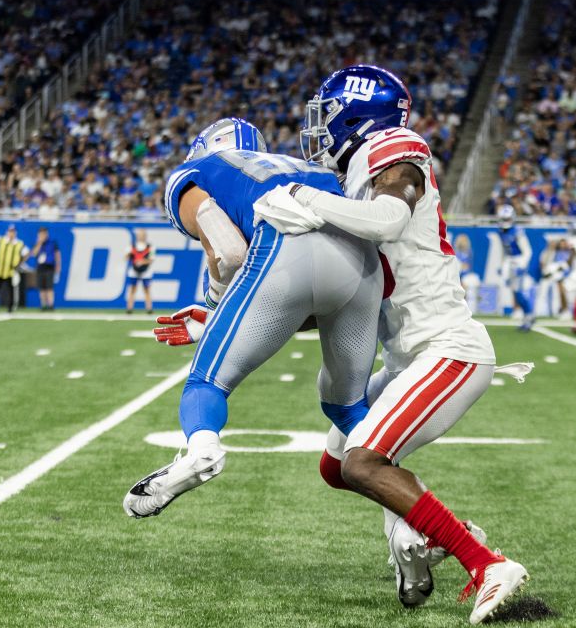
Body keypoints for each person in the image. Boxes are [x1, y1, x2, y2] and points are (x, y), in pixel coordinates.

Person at [261, 65, 531, 624]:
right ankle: (438, 532)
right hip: (408, 358)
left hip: (447, 349)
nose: (320, 129)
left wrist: (307, 202)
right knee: (336, 467)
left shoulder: (393, 147)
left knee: (363, 463)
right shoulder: (351, 181)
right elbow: (330, 303)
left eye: (327, 114)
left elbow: (387, 219)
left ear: (358, 115)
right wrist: (218, 318)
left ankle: (486, 564)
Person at [124, 118, 383, 555]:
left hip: (286, 251)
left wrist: (213, 307)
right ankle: (410, 528)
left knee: (207, 381)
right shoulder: (306, 167)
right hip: (363, 264)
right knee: (349, 408)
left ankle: (202, 448)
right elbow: (308, 306)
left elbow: (228, 252)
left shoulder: (197, 172)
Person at [496, 204, 535, 331]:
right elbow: (504, 250)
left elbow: (528, 251)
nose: (505, 222)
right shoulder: (501, 231)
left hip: (519, 260)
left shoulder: (517, 231)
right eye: (504, 219)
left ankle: (529, 315)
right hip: (510, 260)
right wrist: (503, 265)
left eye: (507, 219)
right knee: (514, 291)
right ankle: (527, 316)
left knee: (519, 291)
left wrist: (522, 266)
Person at [0, 224, 26, 312]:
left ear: (15, 233)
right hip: (0, 270)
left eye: (12, 232)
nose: (11, 234)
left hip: (11, 271)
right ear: (7, 232)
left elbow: (26, 253)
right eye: (10, 232)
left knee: (11, 291)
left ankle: (11, 307)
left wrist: (19, 264)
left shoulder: (19, 243)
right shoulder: (2, 240)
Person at [30, 226, 61, 311]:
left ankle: (50, 305)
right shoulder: (37, 243)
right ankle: (43, 305)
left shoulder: (52, 242)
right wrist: (39, 243)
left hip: (49, 267)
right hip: (40, 267)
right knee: (42, 287)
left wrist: (58, 266)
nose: (43, 235)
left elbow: (57, 254)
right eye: (41, 233)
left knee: (49, 287)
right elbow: (34, 254)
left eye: (44, 233)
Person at [125, 229, 154, 314]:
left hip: (146, 271)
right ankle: (129, 308)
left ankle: (149, 309)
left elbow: (151, 259)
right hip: (134, 271)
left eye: (142, 234)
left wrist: (142, 262)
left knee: (147, 290)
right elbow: (126, 258)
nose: (140, 236)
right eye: (139, 235)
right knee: (132, 290)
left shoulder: (150, 247)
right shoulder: (132, 246)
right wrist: (130, 256)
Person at [453, 233, 480, 314]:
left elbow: (467, 266)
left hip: (465, 275)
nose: (462, 243)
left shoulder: (468, 252)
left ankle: (466, 308)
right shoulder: (455, 252)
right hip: (457, 275)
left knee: (466, 287)